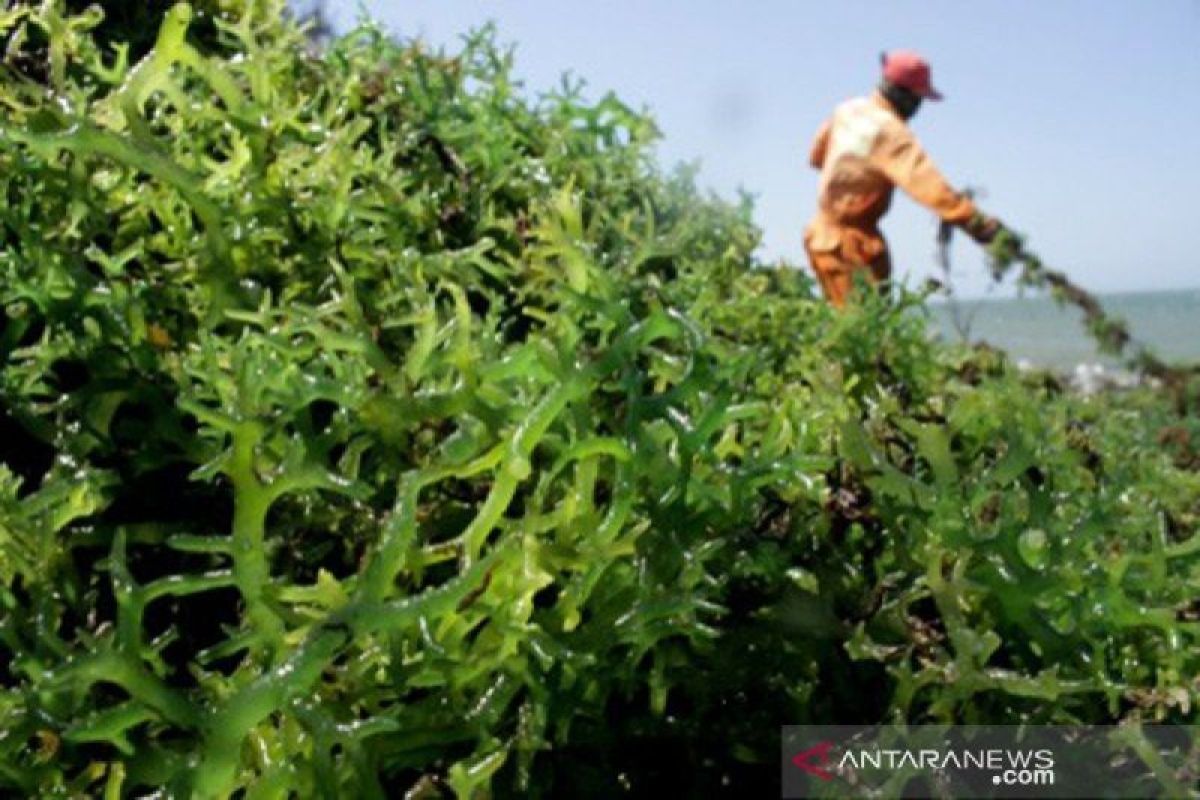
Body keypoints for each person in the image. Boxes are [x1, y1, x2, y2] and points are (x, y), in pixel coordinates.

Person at [804, 50, 1003, 307]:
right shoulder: (892, 133)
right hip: (852, 246)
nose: (919, 108)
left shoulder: (846, 110)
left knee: (845, 325)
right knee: (867, 335)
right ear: (905, 96)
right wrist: (980, 225)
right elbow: (933, 191)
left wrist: (854, 175)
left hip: (819, 236)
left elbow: (816, 157)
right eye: (919, 99)